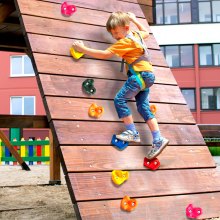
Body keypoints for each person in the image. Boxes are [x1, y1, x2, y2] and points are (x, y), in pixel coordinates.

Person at [72, 11, 169, 159]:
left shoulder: (125, 42)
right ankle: (158, 139)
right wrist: (135, 19)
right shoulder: (136, 36)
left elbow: (104, 54)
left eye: (116, 32)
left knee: (120, 100)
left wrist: (83, 49)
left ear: (126, 28)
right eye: (112, 34)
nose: (115, 36)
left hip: (138, 76)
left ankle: (131, 132)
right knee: (143, 107)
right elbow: (146, 33)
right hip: (148, 76)